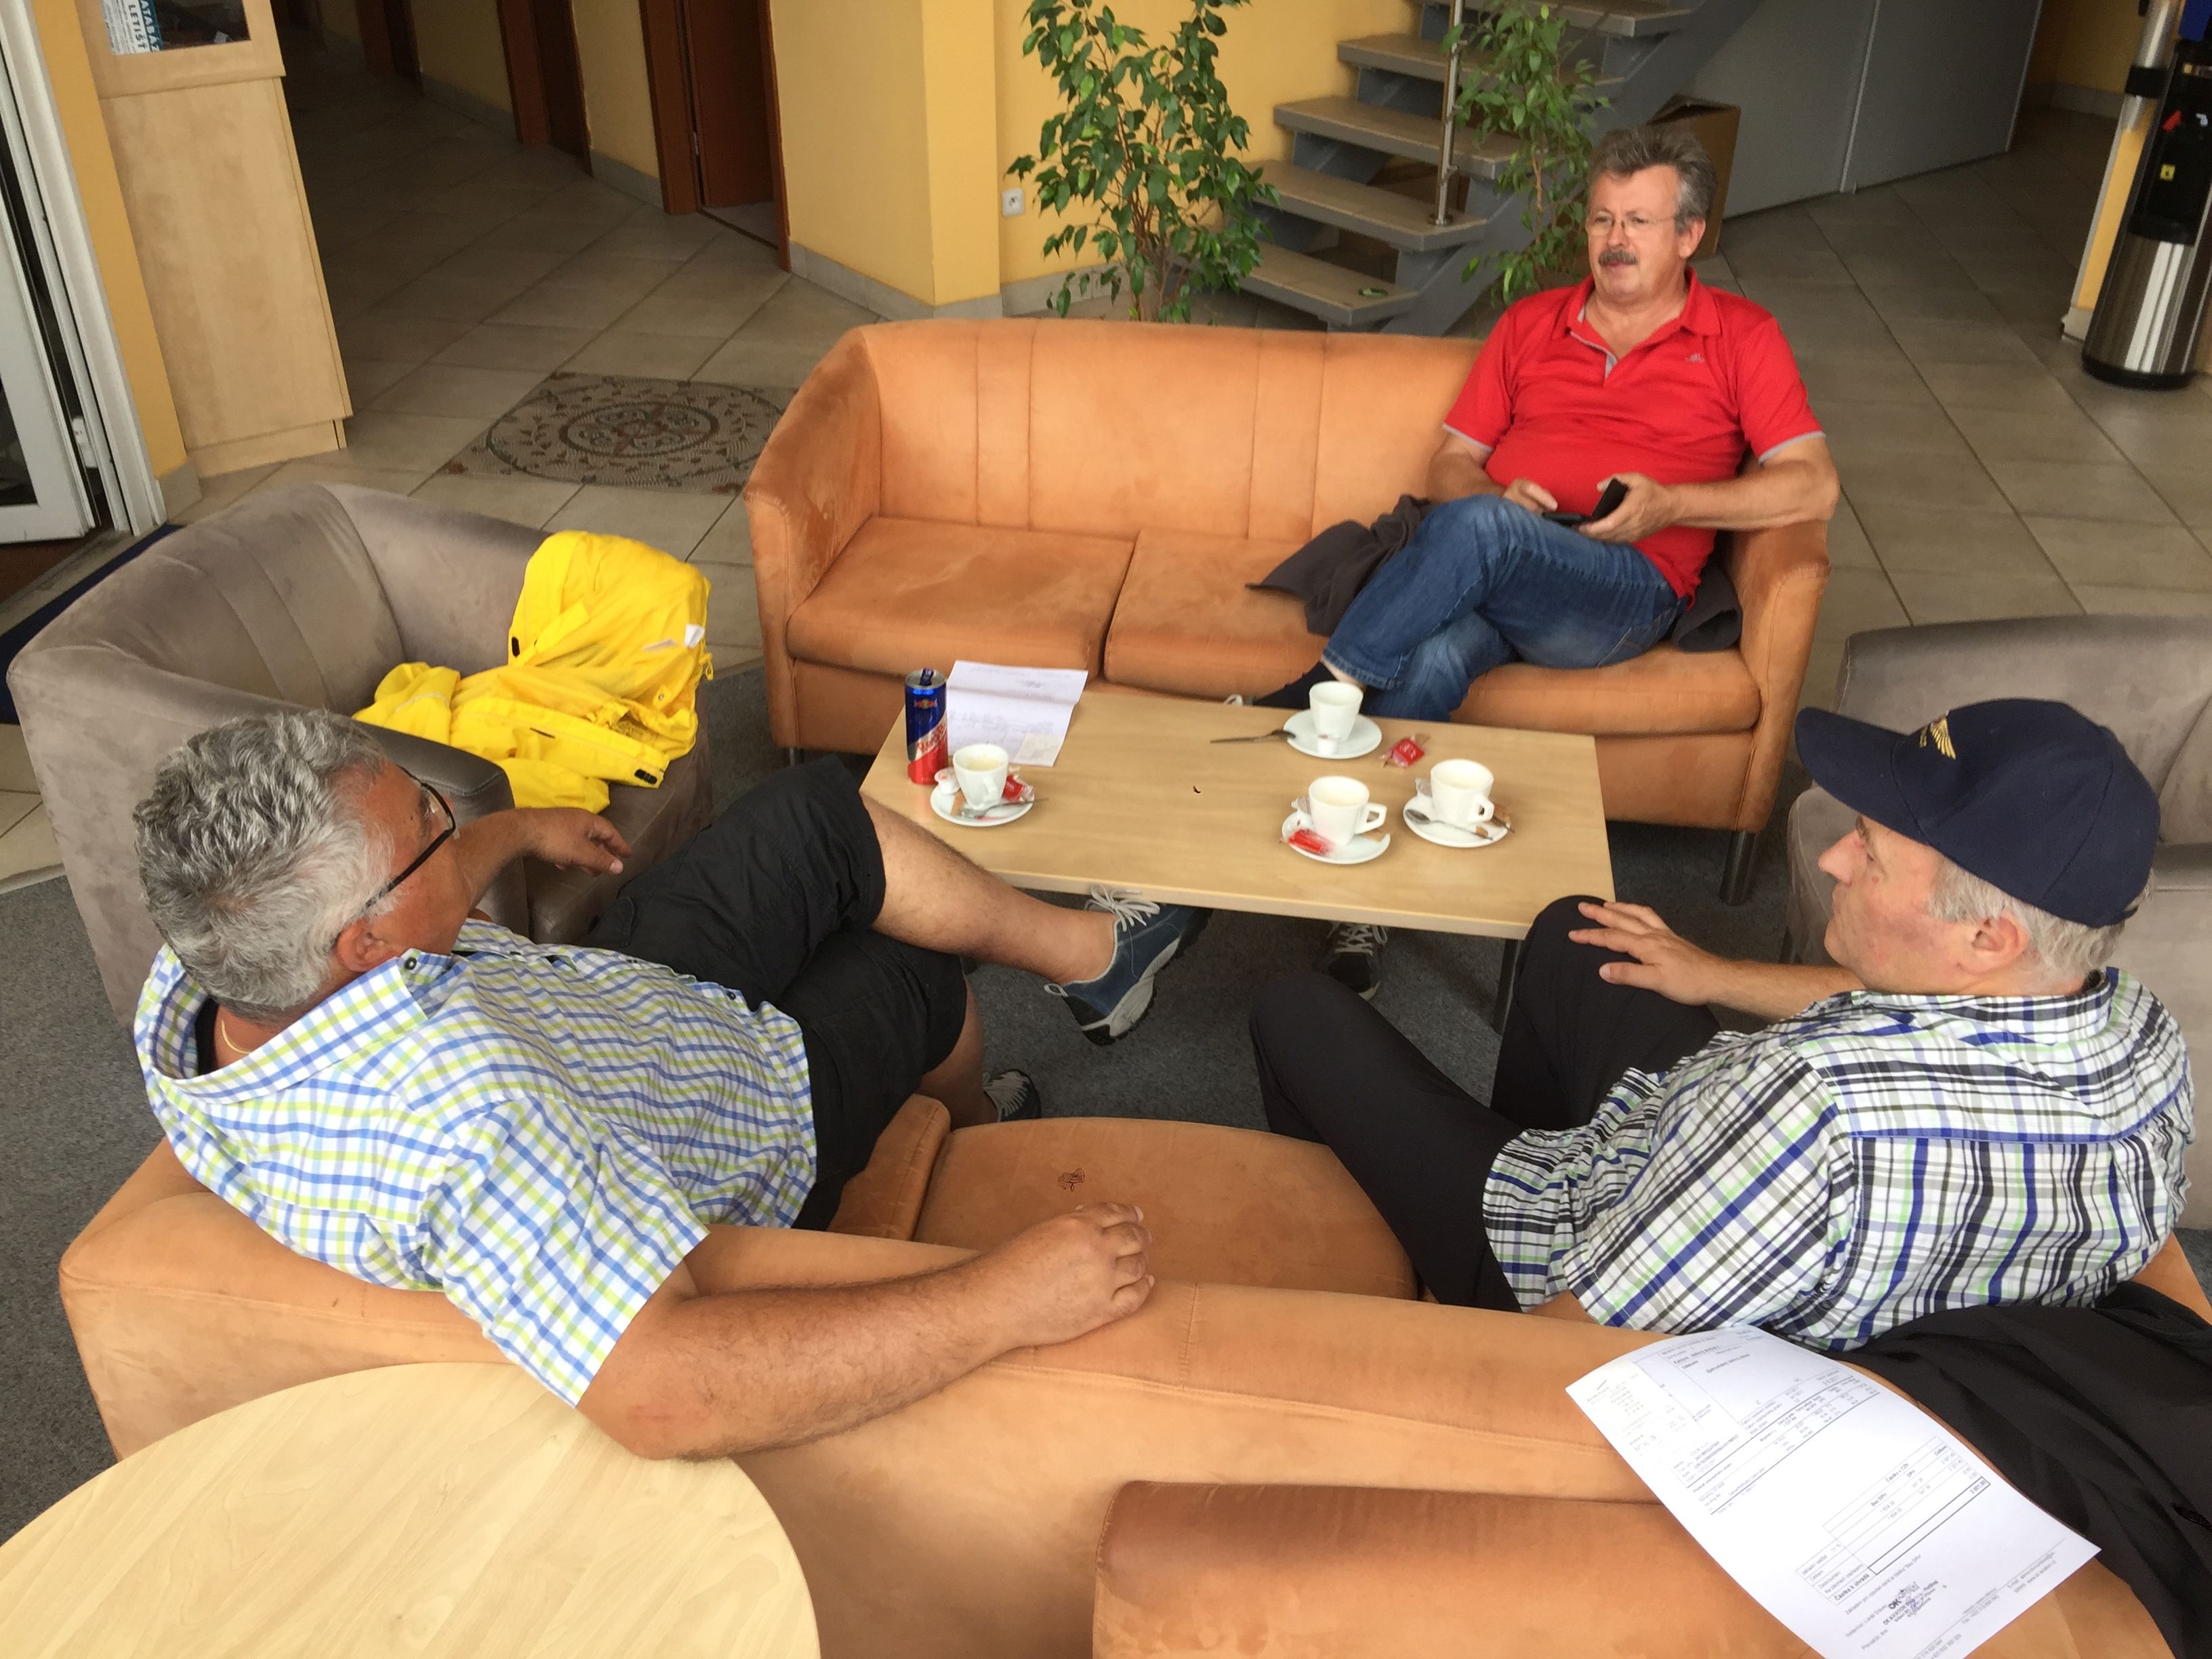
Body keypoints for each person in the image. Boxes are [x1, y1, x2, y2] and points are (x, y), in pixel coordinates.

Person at [131, 710, 1208, 1457]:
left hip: (605, 1003)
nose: (451, 822)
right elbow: (661, 1393)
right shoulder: (462, 1123)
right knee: (914, 966)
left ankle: (1093, 959)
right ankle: (973, 1129)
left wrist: (520, 831)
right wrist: (1004, 1300)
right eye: (430, 827)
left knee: (817, 815)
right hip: (752, 1116)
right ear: (365, 945)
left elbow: (412, 889)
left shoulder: (208, 967)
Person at [1250, 699, 2192, 1349]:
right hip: (1711, 1170)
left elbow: (1566, 1349)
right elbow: (1926, 1017)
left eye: (1872, 854)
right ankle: (1506, 1141)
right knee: (1580, 931)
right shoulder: (2137, 1033)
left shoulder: (1816, 1114)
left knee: (1299, 1011)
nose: (1832, 858)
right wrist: (1715, 974)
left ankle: (1415, 1256)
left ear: (1987, 936)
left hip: (1572, 1261)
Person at [1275, 123, 1840, 1000]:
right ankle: (1359, 894)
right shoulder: (1532, 322)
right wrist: (1491, 497)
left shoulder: (1742, 335)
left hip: (1622, 587)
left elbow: (1814, 485)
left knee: (1479, 532)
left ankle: (1318, 692)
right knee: (1433, 649)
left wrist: (1672, 504)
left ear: (1689, 235)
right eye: (1603, 219)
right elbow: (1452, 462)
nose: (1615, 239)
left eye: (1639, 222)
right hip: (1504, 566)